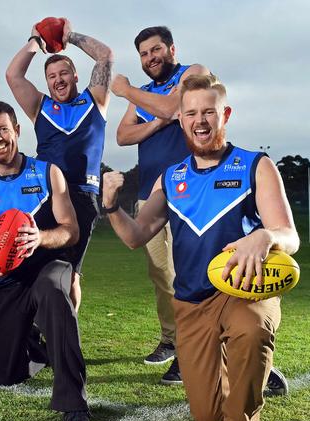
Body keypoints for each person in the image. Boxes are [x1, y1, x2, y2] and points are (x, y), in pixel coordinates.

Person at [103, 74, 300, 421]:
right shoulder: (171, 178)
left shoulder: (255, 166)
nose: (200, 119)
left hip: (246, 290)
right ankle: (255, 373)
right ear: (180, 118)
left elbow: (289, 235)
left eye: (208, 111)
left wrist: (265, 236)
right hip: (192, 301)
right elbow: (136, 235)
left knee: (250, 327)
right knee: (205, 414)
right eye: (190, 112)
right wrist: (110, 206)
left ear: (224, 114)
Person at [0, 101, 92, 421]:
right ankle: (35, 341)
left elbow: (71, 231)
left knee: (53, 294)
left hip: (48, 266)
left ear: (17, 130)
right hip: (6, 282)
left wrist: (41, 237)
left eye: (3, 129)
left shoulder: (47, 173)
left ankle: (74, 406)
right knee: (7, 373)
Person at [111, 26, 210, 384]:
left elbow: (174, 105)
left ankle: (193, 349)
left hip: (193, 191)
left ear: (171, 49)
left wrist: (125, 91)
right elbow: (123, 136)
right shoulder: (143, 95)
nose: (150, 58)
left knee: (191, 272)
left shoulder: (193, 73)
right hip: (151, 194)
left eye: (156, 50)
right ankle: (171, 340)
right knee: (161, 274)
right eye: (143, 54)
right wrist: (157, 121)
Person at [6, 18, 112, 311]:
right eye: (51, 75)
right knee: (31, 269)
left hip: (81, 197)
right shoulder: (40, 106)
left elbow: (105, 56)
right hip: (44, 196)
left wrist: (71, 36)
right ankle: (35, 335)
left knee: (71, 275)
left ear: (76, 75)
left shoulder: (95, 101)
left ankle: (66, 336)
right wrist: (35, 42)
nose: (58, 79)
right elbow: (13, 75)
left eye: (64, 72)